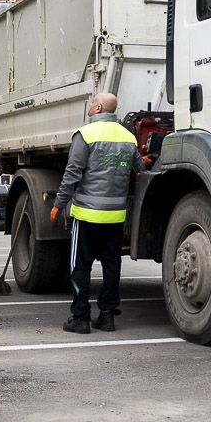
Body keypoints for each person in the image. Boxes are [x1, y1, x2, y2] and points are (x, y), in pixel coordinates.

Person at [52, 92, 147, 334]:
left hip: (87, 215)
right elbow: (139, 168)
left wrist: (58, 204)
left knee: (79, 266)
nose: (91, 105)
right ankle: (107, 316)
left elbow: (72, 174)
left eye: (93, 102)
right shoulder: (128, 137)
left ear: (98, 107)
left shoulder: (85, 135)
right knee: (111, 266)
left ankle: (80, 318)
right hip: (115, 216)